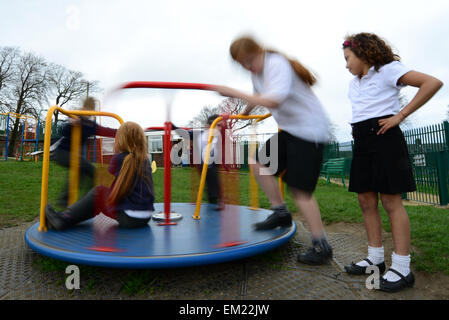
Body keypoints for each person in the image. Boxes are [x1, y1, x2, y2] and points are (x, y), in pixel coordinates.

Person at [214, 36, 333, 265]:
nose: (249, 67)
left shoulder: (276, 63)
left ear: (259, 51)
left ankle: (321, 245)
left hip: (310, 131)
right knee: (258, 164)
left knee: (300, 191)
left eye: (250, 61)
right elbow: (258, 94)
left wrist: (233, 92)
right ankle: (281, 212)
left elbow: (274, 100)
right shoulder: (256, 72)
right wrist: (244, 112)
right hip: (290, 130)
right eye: (243, 65)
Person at [341, 32, 443, 292]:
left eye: (348, 58)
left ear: (363, 53)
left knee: (390, 201)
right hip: (362, 140)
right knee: (365, 199)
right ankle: (375, 260)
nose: (346, 65)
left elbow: (432, 82)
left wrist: (401, 115)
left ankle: (402, 266)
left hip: (385, 138)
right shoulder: (354, 83)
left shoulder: (387, 70)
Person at [45, 121, 155, 230]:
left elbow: (105, 183)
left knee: (98, 192)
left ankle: (64, 218)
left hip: (128, 218)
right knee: (99, 197)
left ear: (120, 140)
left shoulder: (119, 159)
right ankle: (71, 215)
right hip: (145, 217)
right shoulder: (145, 160)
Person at [53, 97, 117, 206]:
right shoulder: (76, 117)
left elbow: (106, 131)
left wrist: (123, 131)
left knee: (86, 172)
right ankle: (68, 200)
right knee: (88, 168)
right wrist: (71, 123)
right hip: (61, 152)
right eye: (88, 109)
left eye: (91, 110)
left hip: (72, 155)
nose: (90, 113)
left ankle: (82, 201)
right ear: (84, 108)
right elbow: (63, 131)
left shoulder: (91, 125)